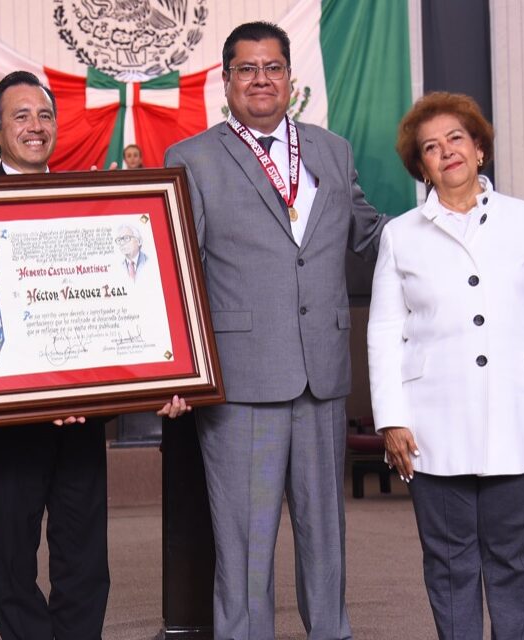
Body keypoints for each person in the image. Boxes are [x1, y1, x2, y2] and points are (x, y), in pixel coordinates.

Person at [0, 70, 187, 640]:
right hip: (9, 416)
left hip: (82, 414)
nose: (36, 126)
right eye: (20, 116)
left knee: (85, 554)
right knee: (15, 556)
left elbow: (116, 296)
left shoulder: (89, 205)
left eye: (45, 116)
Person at [164, 21, 387, 639]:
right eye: (247, 69)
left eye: (273, 68)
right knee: (244, 542)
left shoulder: (331, 150)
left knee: (326, 537)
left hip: (323, 374)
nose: (261, 80)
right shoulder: (193, 158)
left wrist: (452, 217)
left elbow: (371, 233)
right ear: (226, 80)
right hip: (242, 380)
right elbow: (180, 272)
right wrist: (179, 369)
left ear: (290, 77)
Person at [368, 92, 524, 640]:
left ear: (480, 148)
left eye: (456, 139)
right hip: (431, 423)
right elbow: (385, 331)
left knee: (513, 560)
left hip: (523, 415)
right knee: (448, 563)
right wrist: (391, 417)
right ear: (421, 167)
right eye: (431, 148)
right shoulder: (399, 235)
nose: (447, 153)